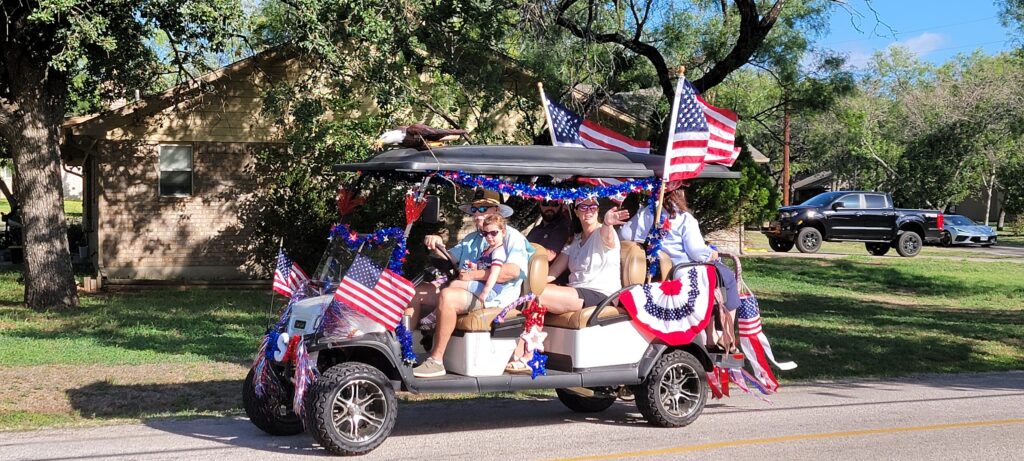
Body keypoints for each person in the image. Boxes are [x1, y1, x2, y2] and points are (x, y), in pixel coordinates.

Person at [408, 189, 534, 378]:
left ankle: (436, 361)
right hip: (469, 290)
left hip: (495, 297)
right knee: (415, 292)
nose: (477, 214)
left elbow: (511, 272)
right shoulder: (472, 238)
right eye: (474, 210)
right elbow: (449, 258)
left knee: (448, 296)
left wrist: (473, 275)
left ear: (496, 211)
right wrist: (437, 242)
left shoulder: (512, 237)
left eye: (483, 208)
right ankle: (405, 352)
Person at [506, 197, 629, 373]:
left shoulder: (603, 233)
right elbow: (553, 273)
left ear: (598, 210)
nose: (588, 210)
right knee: (532, 290)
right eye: (583, 207)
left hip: (602, 295)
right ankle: (516, 353)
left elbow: (607, 237)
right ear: (576, 211)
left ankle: (529, 355)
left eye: (592, 207)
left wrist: (609, 224)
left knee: (540, 294)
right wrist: (520, 281)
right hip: (577, 292)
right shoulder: (575, 240)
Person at [619, 185, 740, 351]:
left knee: (715, 278)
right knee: (727, 276)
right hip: (683, 270)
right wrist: (712, 254)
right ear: (679, 193)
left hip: (655, 270)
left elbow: (625, 234)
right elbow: (696, 252)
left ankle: (712, 336)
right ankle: (727, 335)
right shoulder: (684, 218)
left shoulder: (646, 213)